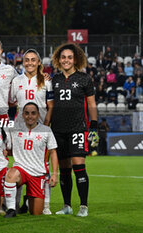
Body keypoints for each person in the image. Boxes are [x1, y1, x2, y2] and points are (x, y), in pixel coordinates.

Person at [51, 43, 98, 217]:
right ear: (58, 59)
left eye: (69, 57)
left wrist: (93, 126)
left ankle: (83, 206)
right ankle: (67, 205)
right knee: (64, 170)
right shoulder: (53, 80)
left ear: (75, 59)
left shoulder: (85, 78)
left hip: (77, 128)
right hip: (58, 129)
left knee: (79, 167)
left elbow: (92, 104)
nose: (66, 60)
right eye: (63, 57)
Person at [9, 48, 54, 215]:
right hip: (20, 129)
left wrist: (46, 125)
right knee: (19, 163)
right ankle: (15, 204)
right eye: (26, 59)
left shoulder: (46, 81)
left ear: (39, 63)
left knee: (44, 166)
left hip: (40, 128)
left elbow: (51, 107)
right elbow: (12, 104)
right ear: (23, 62)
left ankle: (46, 205)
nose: (29, 62)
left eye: (33, 60)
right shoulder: (16, 81)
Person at [4, 102, 58, 217]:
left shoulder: (46, 130)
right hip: (21, 169)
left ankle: (28, 200)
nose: (30, 116)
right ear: (22, 115)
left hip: (38, 173)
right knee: (10, 174)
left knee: (36, 213)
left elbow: (53, 152)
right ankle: (11, 209)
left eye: (33, 113)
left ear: (38, 115)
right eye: (27, 113)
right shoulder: (14, 127)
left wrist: (54, 174)